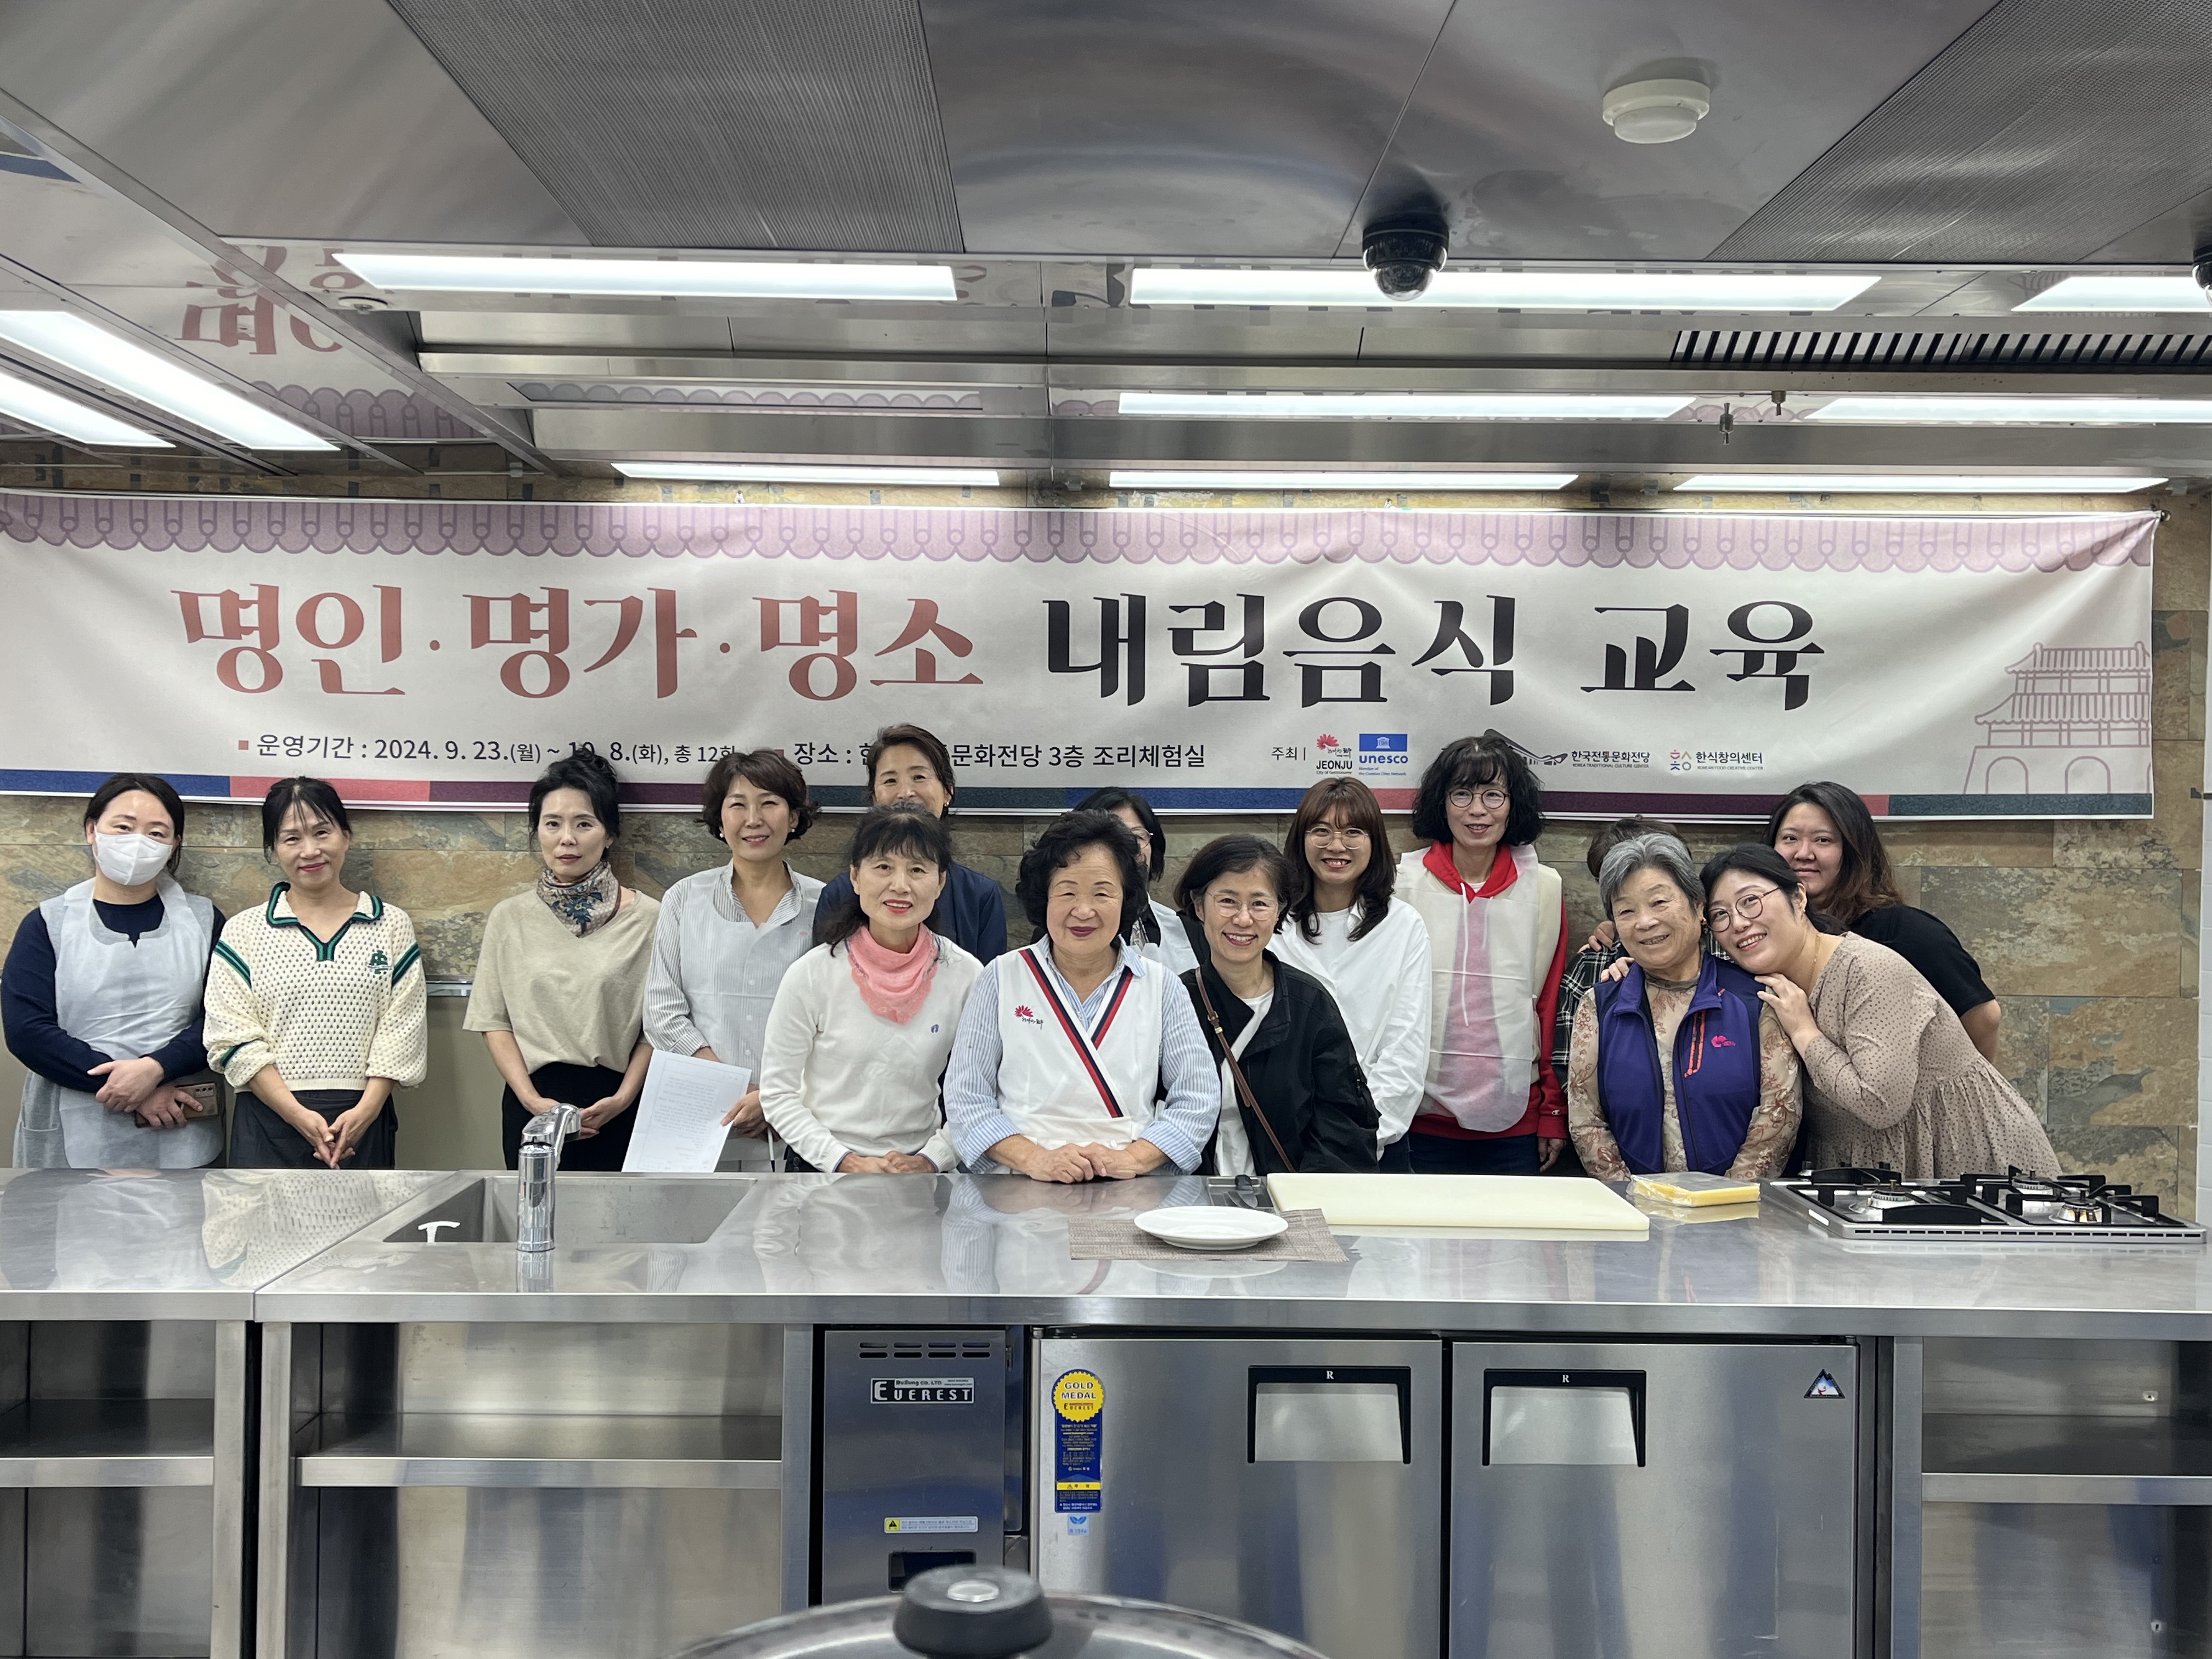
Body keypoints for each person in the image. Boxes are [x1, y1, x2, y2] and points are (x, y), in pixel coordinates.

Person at [1702, 844, 2058, 1179]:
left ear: (1798, 897)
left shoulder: (1868, 970)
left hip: (1969, 1161)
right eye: (1720, 914)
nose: (1739, 923)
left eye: (1750, 902)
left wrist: (1805, 1033)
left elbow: (1879, 1102)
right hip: (1873, 1175)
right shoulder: (1765, 990)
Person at [944, 810, 1216, 1181]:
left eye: (1102, 893)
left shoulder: (1162, 985)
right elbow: (967, 1097)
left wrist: (1132, 1159)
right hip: (1018, 1182)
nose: (1084, 910)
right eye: (1067, 891)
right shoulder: (1001, 977)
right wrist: (1036, 1159)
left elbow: (1197, 1098)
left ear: (1126, 898)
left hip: (1130, 1184)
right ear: (1044, 897)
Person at [4, 773, 224, 1168]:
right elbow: (27, 1030)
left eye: (156, 833)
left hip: (179, 1121)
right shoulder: (48, 923)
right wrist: (129, 1088)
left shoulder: (204, 920)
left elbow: (224, 1016)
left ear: (174, 844)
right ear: (92, 830)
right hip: (74, 1119)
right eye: (123, 827)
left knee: (187, 1210)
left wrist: (156, 1069)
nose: (138, 842)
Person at [205, 777, 426, 1167]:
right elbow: (230, 1034)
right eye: (292, 838)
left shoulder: (390, 925)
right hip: (268, 1117)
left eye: (322, 832)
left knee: (365, 1211)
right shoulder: (244, 931)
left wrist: (366, 1112)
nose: (310, 851)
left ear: (346, 836)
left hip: (362, 1119)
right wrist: (296, 1114)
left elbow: (402, 1028)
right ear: (273, 849)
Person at [759, 807, 983, 1172]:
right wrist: (844, 1161)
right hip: (822, 1168)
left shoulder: (966, 975)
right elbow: (778, 1093)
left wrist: (933, 1159)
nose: (900, 885)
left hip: (921, 1172)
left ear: (941, 882)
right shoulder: (812, 974)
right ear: (856, 877)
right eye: (883, 867)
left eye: (917, 870)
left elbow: (980, 1091)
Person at [1566, 833, 1801, 1180]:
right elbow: (1586, 1120)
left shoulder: (1755, 999)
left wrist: (1727, 1200)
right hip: (1632, 1204)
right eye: (1626, 910)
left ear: (1698, 905)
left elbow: (1779, 1115)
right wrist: (1629, 1197)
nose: (1645, 921)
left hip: (1738, 1206)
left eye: (1659, 902)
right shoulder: (1599, 1006)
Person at [466, 751, 658, 1171]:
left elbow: (657, 1026)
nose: (566, 838)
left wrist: (623, 1098)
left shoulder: (650, 919)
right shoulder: (509, 917)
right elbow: (493, 1021)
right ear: (537, 831)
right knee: (535, 1213)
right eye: (552, 824)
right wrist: (531, 1100)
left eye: (584, 824)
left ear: (610, 834)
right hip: (532, 1108)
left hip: (619, 1108)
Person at [1393, 734, 1567, 1174]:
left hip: (1514, 1119)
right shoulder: (1403, 883)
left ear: (1513, 804)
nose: (1477, 810)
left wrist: (1551, 1109)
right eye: (1462, 794)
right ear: (1442, 803)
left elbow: (1549, 1006)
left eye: (1493, 795)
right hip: (1417, 1116)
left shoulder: (1544, 887)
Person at [645, 748, 822, 1165]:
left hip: (798, 1124)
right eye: (738, 805)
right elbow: (661, 1012)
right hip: (696, 1118)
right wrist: (730, 1087)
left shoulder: (826, 904)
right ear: (720, 819)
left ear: (793, 817)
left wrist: (774, 1098)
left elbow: (836, 1020)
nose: (753, 820)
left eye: (769, 803)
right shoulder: (684, 898)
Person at [1175, 834, 1379, 1175]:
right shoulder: (1174, 1001)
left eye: (1259, 903)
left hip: (1289, 1198)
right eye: (1227, 901)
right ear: (1199, 907)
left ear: (1279, 911)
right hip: (1189, 1199)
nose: (1243, 919)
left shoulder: (1309, 1005)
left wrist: (1299, 1198)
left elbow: (1344, 1128)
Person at [1767, 782, 2002, 1062]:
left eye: (1823, 840)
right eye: (1790, 838)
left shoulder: (1905, 931)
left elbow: (1985, 1017)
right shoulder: (1766, 935)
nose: (1803, 853)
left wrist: (1948, 1082)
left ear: (1854, 851)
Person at [1271, 778, 1429, 1170]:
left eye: (1353, 832)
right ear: (1301, 840)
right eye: (1321, 831)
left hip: (1377, 1141)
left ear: (1374, 842)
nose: (1336, 846)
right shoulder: (1273, 924)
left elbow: (1406, 1046)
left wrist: (1362, 1136)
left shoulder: (1403, 926)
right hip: (1286, 1138)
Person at [814, 725, 1007, 962]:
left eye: (919, 777)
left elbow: (989, 981)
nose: (906, 792)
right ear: (874, 797)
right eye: (890, 780)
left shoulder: (980, 895)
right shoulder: (839, 894)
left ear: (948, 791)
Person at [1551, 815, 1684, 1081]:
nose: (1645, 920)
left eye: (1657, 898)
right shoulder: (1590, 968)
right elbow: (1571, 1073)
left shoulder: (1724, 956)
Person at [1074, 785, 1197, 974]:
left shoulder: (1188, 929)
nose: (1130, 847)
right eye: (1113, 836)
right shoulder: (1065, 927)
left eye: (1138, 836)